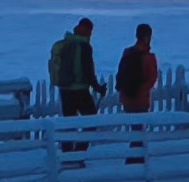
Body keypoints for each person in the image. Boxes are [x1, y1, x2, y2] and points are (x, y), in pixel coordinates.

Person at [51, 18, 107, 151]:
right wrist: (98, 88)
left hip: (65, 89)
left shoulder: (67, 42)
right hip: (80, 90)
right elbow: (88, 72)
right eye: (90, 31)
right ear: (87, 30)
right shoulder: (84, 46)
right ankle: (79, 152)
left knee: (69, 124)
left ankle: (67, 153)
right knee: (91, 121)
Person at [116, 23, 160, 114]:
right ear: (147, 37)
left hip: (126, 99)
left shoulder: (127, 53)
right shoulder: (149, 57)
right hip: (140, 101)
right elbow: (151, 79)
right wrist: (140, 91)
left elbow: (120, 72)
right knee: (139, 122)